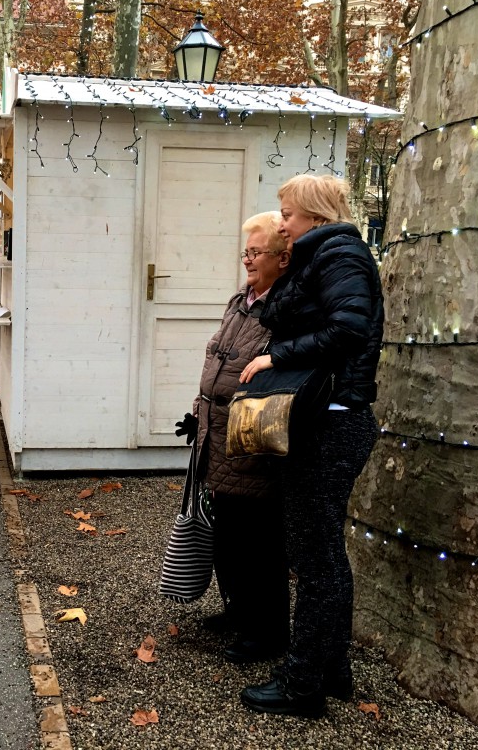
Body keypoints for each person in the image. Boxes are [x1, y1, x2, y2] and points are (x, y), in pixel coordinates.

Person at [237, 175, 384, 718]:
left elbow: (349, 328)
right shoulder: (324, 255)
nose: (282, 222)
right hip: (327, 416)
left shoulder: (339, 256)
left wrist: (279, 357)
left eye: (289, 213)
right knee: (322, 556)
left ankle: (303, 686)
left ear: (316, 216)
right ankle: (330, 669)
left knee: (315, 560)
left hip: (330, 419)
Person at [175, 212, 291, 664]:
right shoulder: (240, 300)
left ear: (282, 259)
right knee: (227, 534)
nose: (248, 259)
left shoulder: (284, 309)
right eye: (246, 251)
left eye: (256, 252)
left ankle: (267, 633)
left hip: (251, 433)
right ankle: (238, 612)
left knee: (258, 541)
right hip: (215, 431)